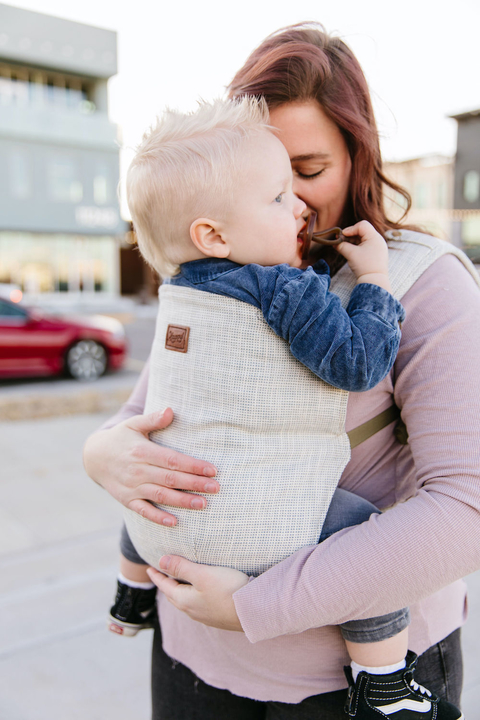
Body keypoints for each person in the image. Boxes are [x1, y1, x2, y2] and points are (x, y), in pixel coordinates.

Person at [83, 23, 480, 720]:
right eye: (264, 178)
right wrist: (104, 451)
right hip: (191, 663)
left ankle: (382, 676)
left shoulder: (424, 281)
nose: (291, 200)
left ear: (359, 158)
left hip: (335, 689)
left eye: (308, 170)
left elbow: (466, 509)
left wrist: (255, 604)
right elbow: (157, 409)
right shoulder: (220, 281)